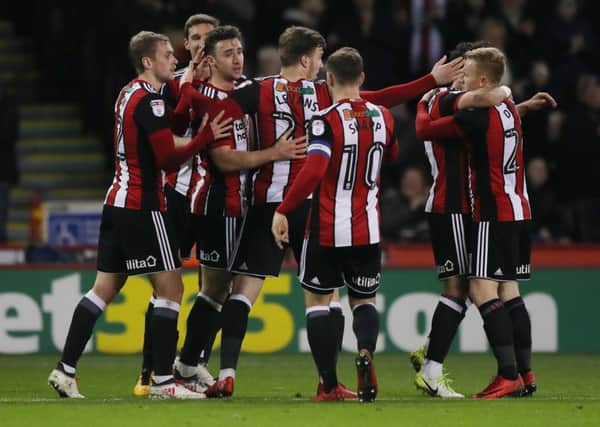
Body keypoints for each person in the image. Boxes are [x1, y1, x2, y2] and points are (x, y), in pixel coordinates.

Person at [179, 25, 463, 399]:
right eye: (316, 58)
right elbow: (377, 98)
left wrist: (187, 85)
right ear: (305, 59)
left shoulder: (257, 90)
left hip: (268, 204)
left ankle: (227, 372)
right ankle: (328, 381)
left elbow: (210, 108)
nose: (319, 66)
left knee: (243, 292)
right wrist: (429, 80)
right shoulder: (322, 92)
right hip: (313, 207)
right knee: (325, 297)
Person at [47, 31, 231, 400]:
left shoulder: (130, 93)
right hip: (143, 206)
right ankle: (163, 382)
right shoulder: (152, 102)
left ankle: (65, 370)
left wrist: (186, 87)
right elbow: (166, 156)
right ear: (148, 62)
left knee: (104, 288)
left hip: (116, 200)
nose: (173, 60)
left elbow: (166, 126)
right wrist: (204, 138)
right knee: (172, 288)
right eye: (166, 55)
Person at [170, 25, 306, 393]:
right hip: (219, 202)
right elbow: (224, 160)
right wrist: (274, 154)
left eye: (240, 50)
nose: (238, 58)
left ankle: (190, 362)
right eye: (228, 53)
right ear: (211, 61)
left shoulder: (249, 90)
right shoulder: (212, 100)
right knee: (215, 289)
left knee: (221, 291)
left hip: (246, 205)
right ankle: (185, 364)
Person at [415, 46, 555, 399]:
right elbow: (495, 112)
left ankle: (506, 374)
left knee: (477, 289)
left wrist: (420, 103)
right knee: (504, 289)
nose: (459, 77)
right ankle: (524, 374)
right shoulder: (502, 108)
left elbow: (426, 128)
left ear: (480, 79)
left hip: (487, 211)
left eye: (466, 71)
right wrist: (513, 98)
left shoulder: (474, 110)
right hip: (516, 207)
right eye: (457, 71)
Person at [271, 47, 398, 401]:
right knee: (363, 300)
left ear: (328, 79)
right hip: (368, 227)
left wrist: (283, 209)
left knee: (317, 301)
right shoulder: (384, 116)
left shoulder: (323, 120)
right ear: (362, 78)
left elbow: (313, 169)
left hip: (326, 227)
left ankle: (328, 384)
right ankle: (366, 352)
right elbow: (395, 154)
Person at [132, 13, 219, 398]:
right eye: (195, 37)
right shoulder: (171, 83)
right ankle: (152, 370)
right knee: (166, 284)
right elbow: (169, 130)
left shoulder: (235, 86)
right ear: (187, 42)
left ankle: (192, 360)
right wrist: (188, 83)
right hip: (179, 195)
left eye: (209, 37)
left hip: (218, 197)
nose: (202, 43)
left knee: (215, 285)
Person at [0, 82, 19, 243]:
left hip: (4, 168)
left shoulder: (8, 106)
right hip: (5, 169)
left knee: (2, 204)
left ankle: (1, 236)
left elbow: (12, 133)